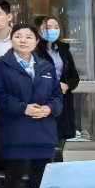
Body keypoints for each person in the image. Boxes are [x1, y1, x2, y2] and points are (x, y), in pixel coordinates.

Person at [0, 23, 63, 188]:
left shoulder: (46, 66)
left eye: (29, 37)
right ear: (11, 40)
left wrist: (49, 108)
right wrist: (24, 108)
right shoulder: (0, 65)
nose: (23, 40)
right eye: (18, 36)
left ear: (37, 41)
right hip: (16, 133)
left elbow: (57, 97)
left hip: (43, 133)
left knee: (42, 184)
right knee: (15, 183)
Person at [36, 15, 81, 148]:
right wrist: (54, 86)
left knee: (59, 143)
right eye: (48, 27)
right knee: (44, 143)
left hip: (63, 101)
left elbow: (74, 76)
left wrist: (67, 85)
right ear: (39, 29)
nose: (53, 30)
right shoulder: (34, 50)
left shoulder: (63, 49)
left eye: (56, 27)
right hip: (43, 101)